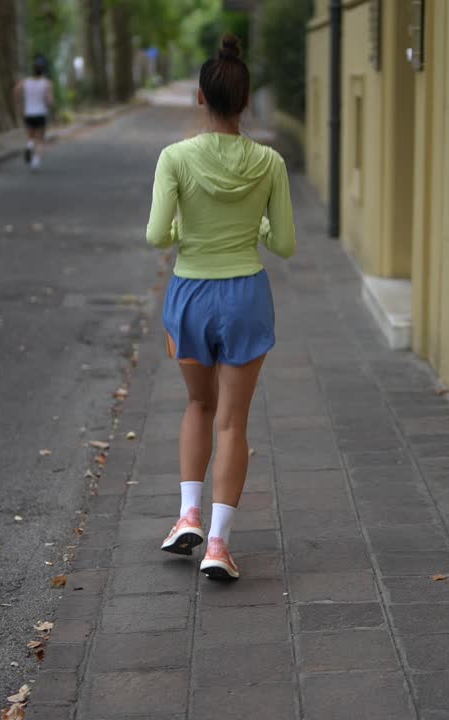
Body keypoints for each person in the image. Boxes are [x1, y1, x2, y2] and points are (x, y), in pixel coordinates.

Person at [145, 34, 296, 581]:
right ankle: (218, 543)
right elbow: (284, 244)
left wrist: (186, 229)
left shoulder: (175, 158)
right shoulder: (269, 162)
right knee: (233, 421)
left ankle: (186, 514)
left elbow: (157, 235)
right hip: (245, 296)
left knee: (197, 406)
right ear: (246, 101)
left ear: (201, 98)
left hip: (190, 293)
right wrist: (257, 224)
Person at [14, 56, 54, 170]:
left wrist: (20, 105)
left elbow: (15, 90)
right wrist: (48, 104)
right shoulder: (47, 83)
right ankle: (35, 161)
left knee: (30, 136)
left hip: (28, 113)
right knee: (40, 139)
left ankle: (29, 145)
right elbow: (50, 101)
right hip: (41, 113)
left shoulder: (25, 82)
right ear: (43, 70)